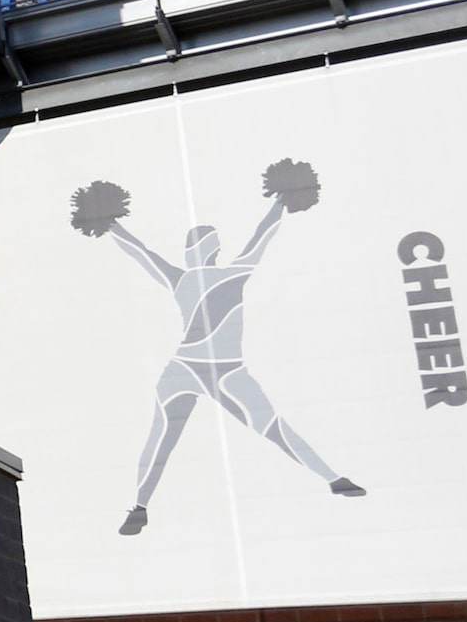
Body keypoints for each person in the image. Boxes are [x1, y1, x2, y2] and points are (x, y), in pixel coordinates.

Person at [75, 162, 365, 535]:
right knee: (165, 437)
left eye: (197, 245)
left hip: (223, 369)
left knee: (268, 427)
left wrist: (281, 201)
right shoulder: (198, 277)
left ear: (207, 250)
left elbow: (260, 235)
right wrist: (110, 222)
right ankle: (139, 507)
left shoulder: (217, 274)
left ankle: (333, 478)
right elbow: (142, 251)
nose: (193, 251)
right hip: (191, 367)